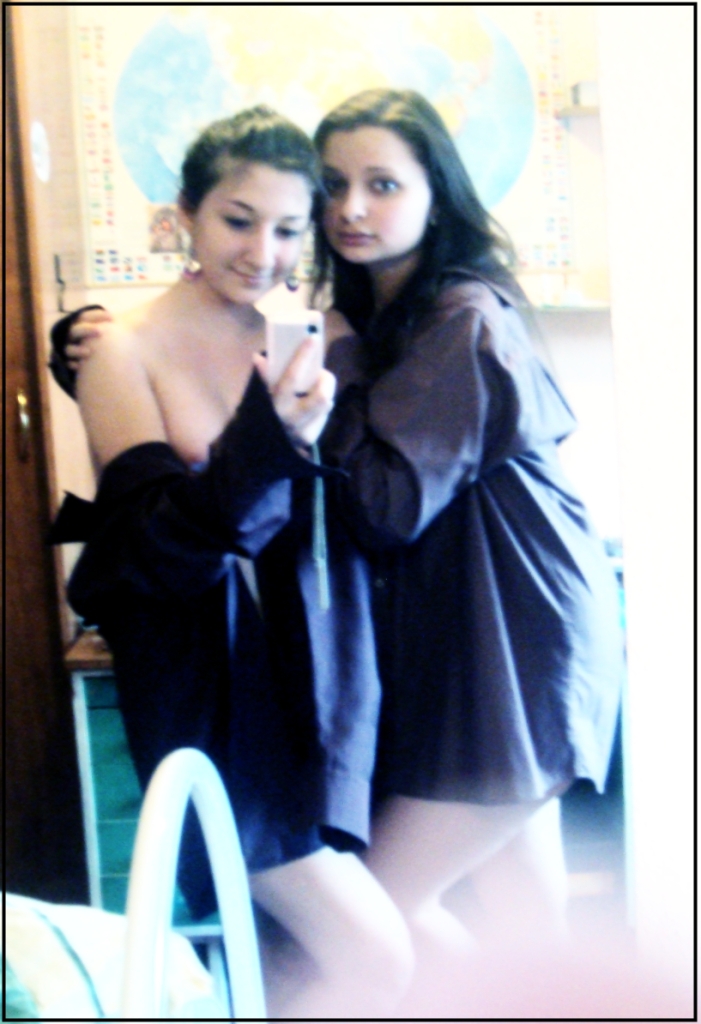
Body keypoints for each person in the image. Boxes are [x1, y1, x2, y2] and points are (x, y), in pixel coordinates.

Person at [47, 106, 413, 1019]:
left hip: (314, 685)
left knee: (288, 963)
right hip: (211, 693)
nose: (262, 253)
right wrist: (268, 434)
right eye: (238, 221)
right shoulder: (120, 351)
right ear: (186, 215)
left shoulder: (296, 339)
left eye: (288, 229)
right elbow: (152, 552)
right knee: (378, 957)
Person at [310, 88, 624, 1003]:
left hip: (520, 647)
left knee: (374, 909)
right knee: (529, 930)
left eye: (381, 184)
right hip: (492, 643)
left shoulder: (460, 317)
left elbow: (384, 507)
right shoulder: (403, 319)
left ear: (434, 194)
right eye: (332, 185)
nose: (350, 208)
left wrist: (337, 358)